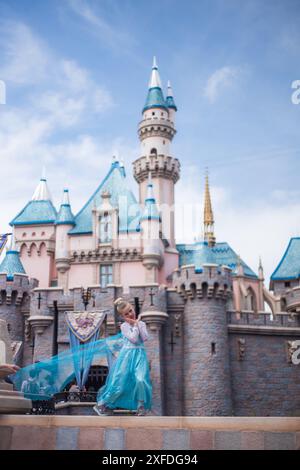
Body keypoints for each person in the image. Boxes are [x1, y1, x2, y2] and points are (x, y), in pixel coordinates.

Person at [93, 298, 152, 416]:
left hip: (140, 355)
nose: (130, 314)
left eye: (131, 310)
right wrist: (135, 325)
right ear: (123, 316)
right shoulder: (124, 326)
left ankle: (140, 406)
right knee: (119, 382)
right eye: (127, 313)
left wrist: (139, 325)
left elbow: (145, 338)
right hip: (127, 356)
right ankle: (103, 404)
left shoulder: (142, 324)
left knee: (141, 379)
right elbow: (134, 339)